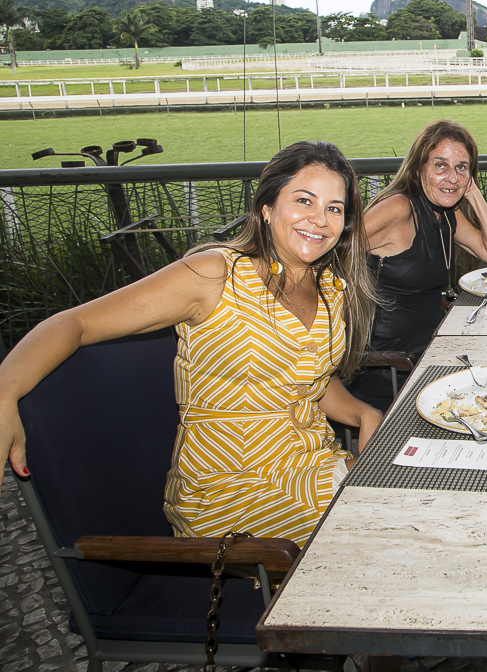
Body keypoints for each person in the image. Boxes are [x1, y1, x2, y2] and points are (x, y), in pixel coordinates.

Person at [0, 141, 382, 546]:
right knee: (389, 521)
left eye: (334, 208)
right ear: (267, 208)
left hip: (310, 467)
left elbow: (305, 381)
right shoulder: (214, 274)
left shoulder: (328, 286)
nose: (318, 219)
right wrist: (5, 391)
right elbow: (74, 323)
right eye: (304, 200)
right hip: (230, 491)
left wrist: (362, 412)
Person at [352, 119, 487, 406]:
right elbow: (330, 252)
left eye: (461, 167)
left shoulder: (445, 213)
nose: (451, 177)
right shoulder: (399, 208)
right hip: (392, 367)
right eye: (440, 166)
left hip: (433, 352)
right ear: (417, 168)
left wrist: (471, 191)